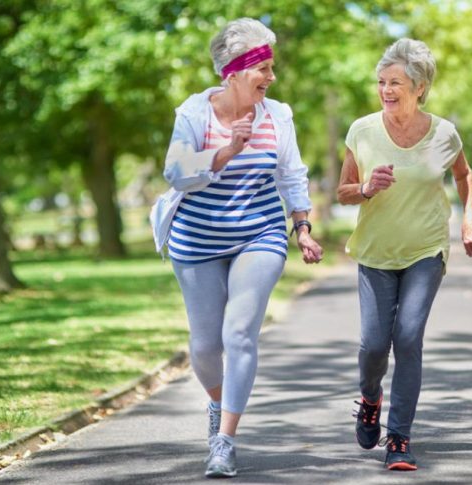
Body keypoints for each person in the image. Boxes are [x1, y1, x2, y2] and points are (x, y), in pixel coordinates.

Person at [149, 17, 323, 478]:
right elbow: (176, 171)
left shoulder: (278, 115)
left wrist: (301, 226)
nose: (271, 77)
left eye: (271, 67)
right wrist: (226, 150)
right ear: (233, 70)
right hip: (197, 238)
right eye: (262, 68)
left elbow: (291, 174)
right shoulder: (194, 113)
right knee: (205, 345)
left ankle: (224, 441)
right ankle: (216, 404)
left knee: (239, 333)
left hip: (259, 233)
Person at [337, 38, 472, 471]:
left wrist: (470, 218)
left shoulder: (443, 134)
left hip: (425, 249)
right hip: (376, 251)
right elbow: (343, 192)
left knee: (408, 337)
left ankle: (398, 438)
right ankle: (369, 398)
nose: (386, 89)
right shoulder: (362, 131)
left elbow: (465, 175)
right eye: (381, 82)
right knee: (373, 344)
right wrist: (365, 188)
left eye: (395, 82)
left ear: (419, 87)